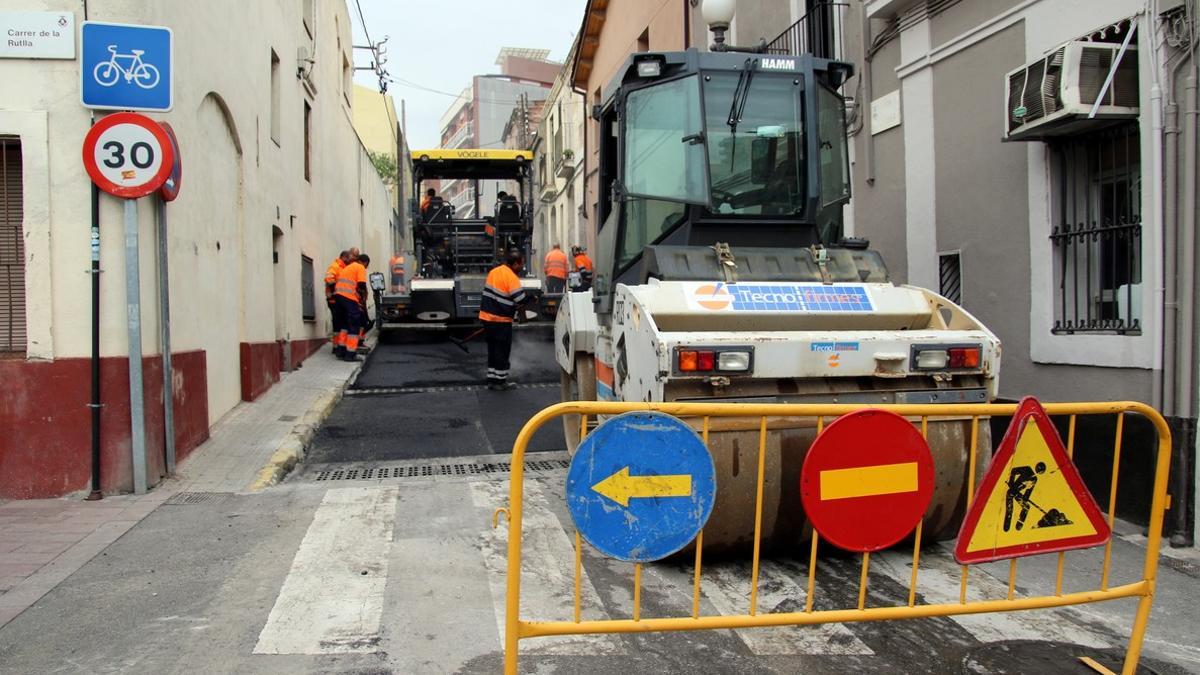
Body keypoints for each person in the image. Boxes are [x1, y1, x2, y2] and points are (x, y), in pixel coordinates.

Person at [479, 249, 529, 391]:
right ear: (514, 264)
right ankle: (500, 382)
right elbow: (520, 299)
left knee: (493, 349)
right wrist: (530, 298)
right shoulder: (511, 277)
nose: (522, 267)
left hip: (487, 318)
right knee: (502, 350)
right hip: (500, 320)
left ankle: (491, 379)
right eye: (521, 264)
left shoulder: (494, 272)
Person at [333, 253, 371, 362]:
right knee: (354, 324)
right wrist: (362, 298)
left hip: (338, 298)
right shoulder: (360, 267)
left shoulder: (348, 267)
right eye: (367, 265)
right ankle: (350, 354)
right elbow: (361, 285)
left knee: (344, 325)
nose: (366, 267)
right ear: (365, 263)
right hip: (348, 297)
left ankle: (341, 351)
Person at [324, 250, 352, 355]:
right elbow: (329, 279)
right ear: (344, 257)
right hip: (334, 299)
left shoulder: (343, 267)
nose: (350, 260)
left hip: (339, 300)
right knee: (338, 323)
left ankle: (338, 346)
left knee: (340, 323)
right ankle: (337, 347)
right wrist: (337, 291)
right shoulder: (335, 266)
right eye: (349, 258)